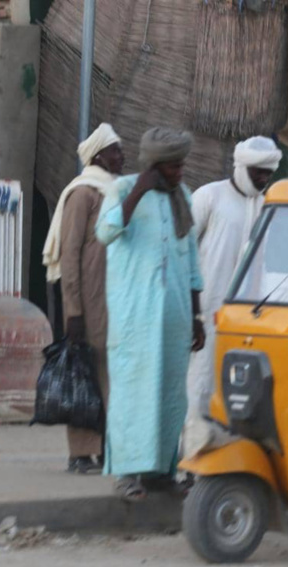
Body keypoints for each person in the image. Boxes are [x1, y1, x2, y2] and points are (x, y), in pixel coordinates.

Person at [96, 127, 205, 500]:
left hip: (174, 316)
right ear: (154, 165)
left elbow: (191, 261)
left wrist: (196, 316)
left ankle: (161, 472)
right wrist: (140, 189)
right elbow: (106, 232)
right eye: (173, 166)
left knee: (171, 395)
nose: (179, 172)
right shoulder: (124, 190)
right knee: (131, 392)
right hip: (133, 317)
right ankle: (127, 474)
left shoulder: (183, 197)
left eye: (181, 165)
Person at [41, 123, 124, 474]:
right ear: (99, 156)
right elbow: (70, 254)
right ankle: (80, 454)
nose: (122, 156)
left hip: (113, 297)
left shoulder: (116, 191)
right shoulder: (83, 193)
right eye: (116, 151)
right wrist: (72, 310)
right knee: (84, 374)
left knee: (110, 376)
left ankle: (108, 449)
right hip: (86, 302)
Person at [185, 136, 282, 423]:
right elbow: (183, 251)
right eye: (258, 172)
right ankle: (192, 452)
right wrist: (192, 312)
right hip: (205, 310)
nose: (263, 178)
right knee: (200, 380)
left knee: (238, 385)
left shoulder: (267, 206)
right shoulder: (209, 197)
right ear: (241, 167)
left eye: (268, 172)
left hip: (247, 316)